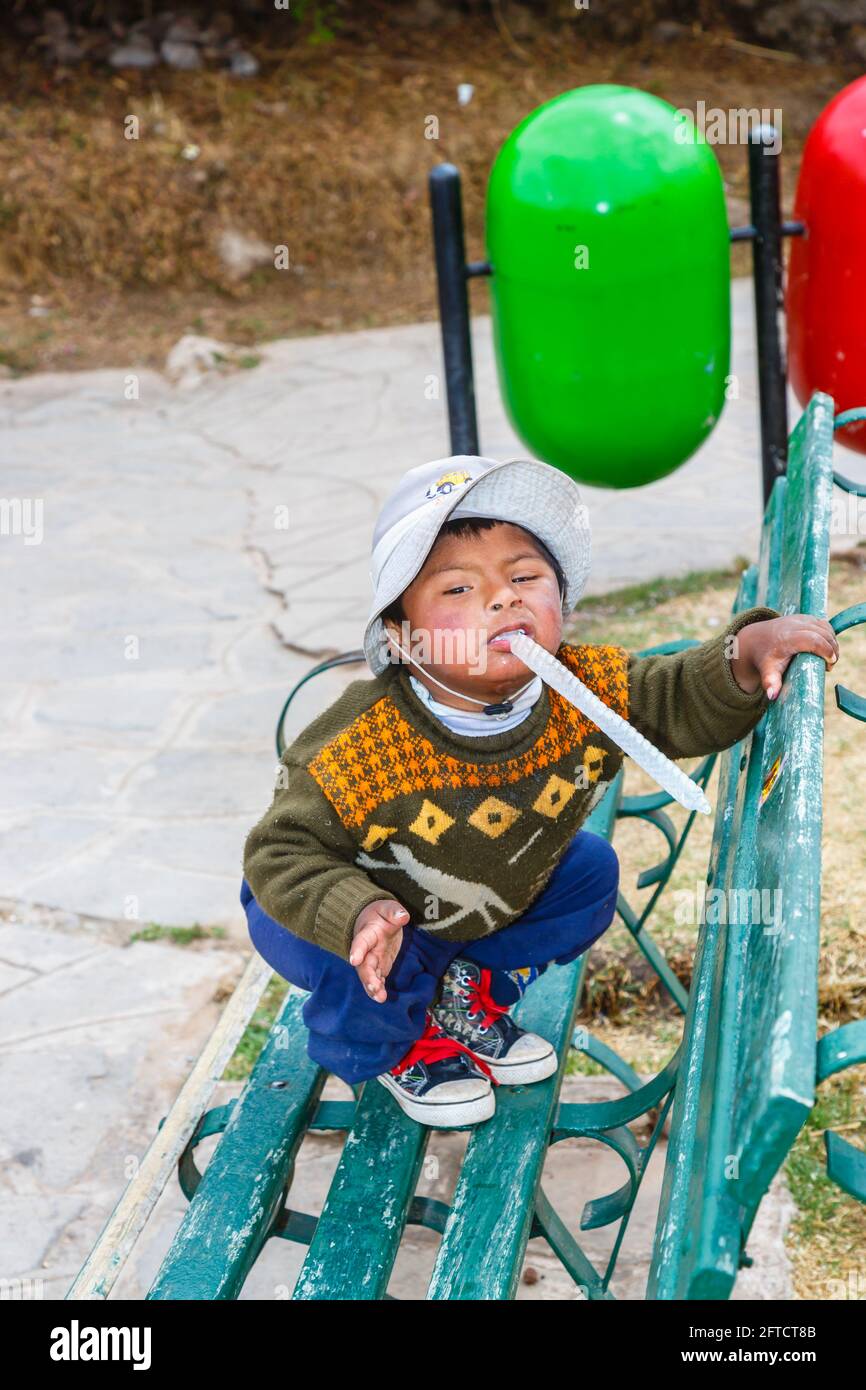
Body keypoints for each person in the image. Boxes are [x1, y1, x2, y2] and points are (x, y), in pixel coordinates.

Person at [241, 455, 840, 1128]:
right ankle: (403, 1046)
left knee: (588, 873)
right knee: (372, 955)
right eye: (459, 591)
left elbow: (673, 697)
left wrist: (746, 649)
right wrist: (353, 910)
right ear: (401, 638)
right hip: (341, 909)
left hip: (475, 899)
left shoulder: (581, 689)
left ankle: (460, 991)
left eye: (525, 577)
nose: (503, 598)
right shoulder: (366, 744)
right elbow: (279, 852)